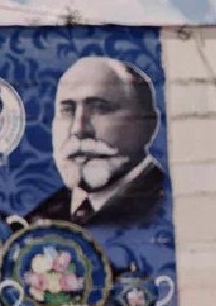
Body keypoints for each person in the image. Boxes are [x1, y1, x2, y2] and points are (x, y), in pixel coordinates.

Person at [26, 57, 167, 227]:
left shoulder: (168, 204)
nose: (78, 129)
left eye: (100, 108)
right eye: (68, 110)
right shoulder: (39, 218)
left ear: (147, 124)